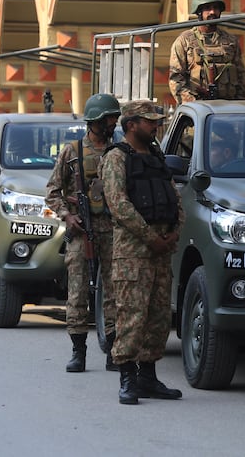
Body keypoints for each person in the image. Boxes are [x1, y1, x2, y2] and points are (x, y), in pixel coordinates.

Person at [99, 100, 185, 405]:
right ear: (131, 124)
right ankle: (127, 378)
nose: (156, 125)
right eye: (149, 121)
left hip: (161, 248)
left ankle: (148, 377)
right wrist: (150, 237)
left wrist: (175, 229)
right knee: (131, 315)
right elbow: (118, 204)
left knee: (159, 316)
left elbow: (173, 195)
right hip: (134, 251)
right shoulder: (116, 158)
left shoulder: (156, 155)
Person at [45, 93, 121, 373]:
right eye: (110, 118)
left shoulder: (120, 150)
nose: (114, 122)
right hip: (81, 231)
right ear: (97, 121)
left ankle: (114, 350)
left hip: (113, 230)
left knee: (114, 292)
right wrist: (68, 215)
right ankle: (79, 351)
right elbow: (52, 191)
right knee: (77, 292)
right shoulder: (73, 151)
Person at [169, 0, 245, 103]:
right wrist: (193, 104)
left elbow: (240, 77)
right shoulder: (184, 41)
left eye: (216, 8)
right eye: (207, 8)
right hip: (198, 108)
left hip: (228, 108)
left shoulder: (231, 41)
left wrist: (239, 107)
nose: (212, 12)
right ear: (199, 11)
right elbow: (176, 79)